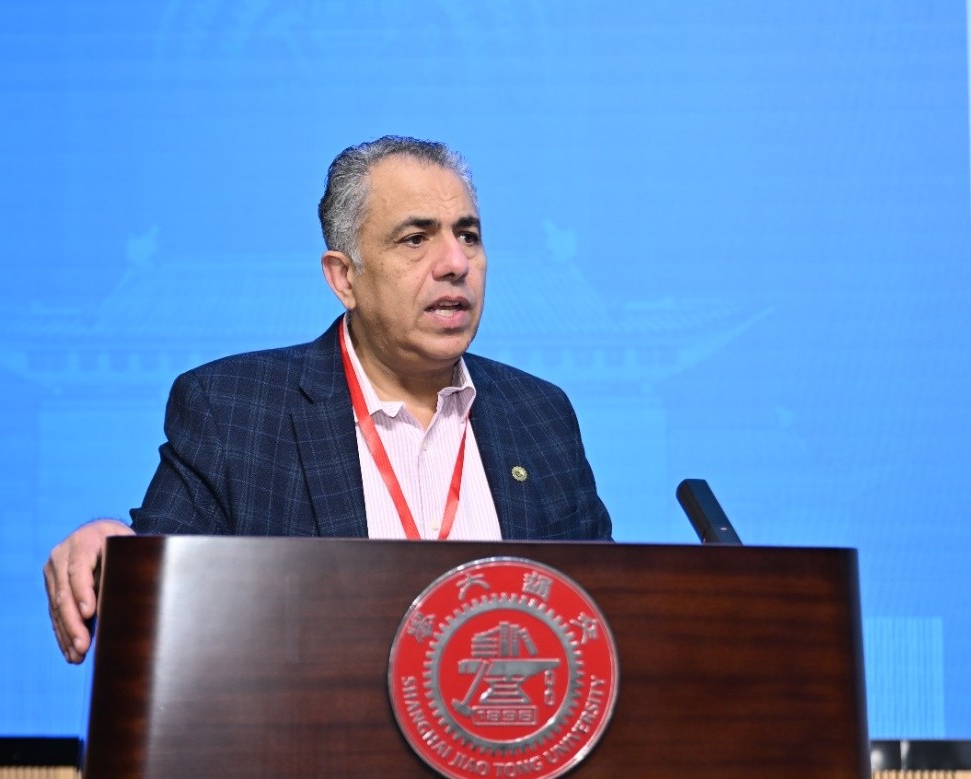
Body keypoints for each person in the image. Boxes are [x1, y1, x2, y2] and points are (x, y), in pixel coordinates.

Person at [44, 136, 612, 663]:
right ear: (344, 279)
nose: (456, 263)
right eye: (416, 239)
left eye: (468, 235)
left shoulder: (538, 414)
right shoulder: (235, 410)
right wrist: (112, 554)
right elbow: (156, 575)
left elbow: (602, 617)